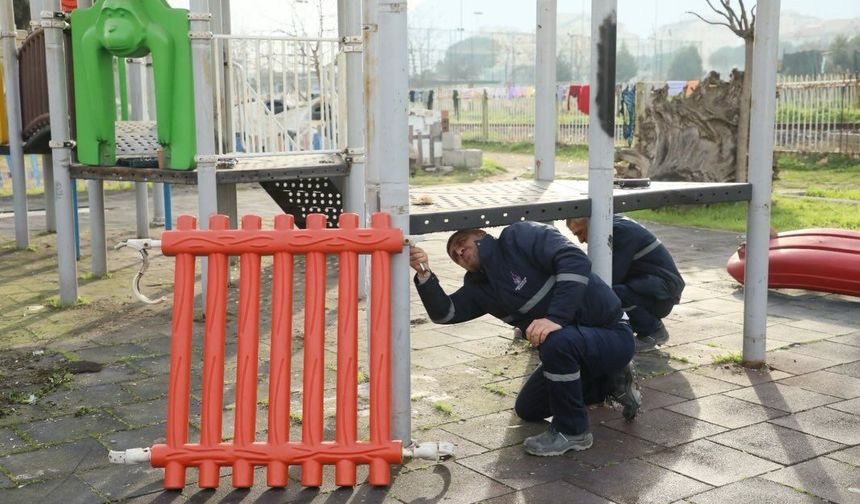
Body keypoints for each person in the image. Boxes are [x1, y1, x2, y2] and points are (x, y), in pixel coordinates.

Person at [409, 221, 639, 457]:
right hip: (575, 347)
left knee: (556, 341)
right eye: (454, 257)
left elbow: (574, 259)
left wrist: (556, 317)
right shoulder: (479, 287)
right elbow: (445, 313)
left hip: (612, 334)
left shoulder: (520, 235)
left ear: (481, 234)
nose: (458, 253)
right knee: (528, 408)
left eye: (461, 243)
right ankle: (609, 381)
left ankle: (573, 432)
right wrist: (424, 272)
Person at [566, 215, 685, 352]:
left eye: (580, 233)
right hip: (655, 285)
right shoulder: (610, 223)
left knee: (611, 294)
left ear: (591, 225)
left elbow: (610, 278)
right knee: (606, 293)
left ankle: (653, 330)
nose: (581, 241)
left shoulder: (620, 232)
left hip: (663, 293)